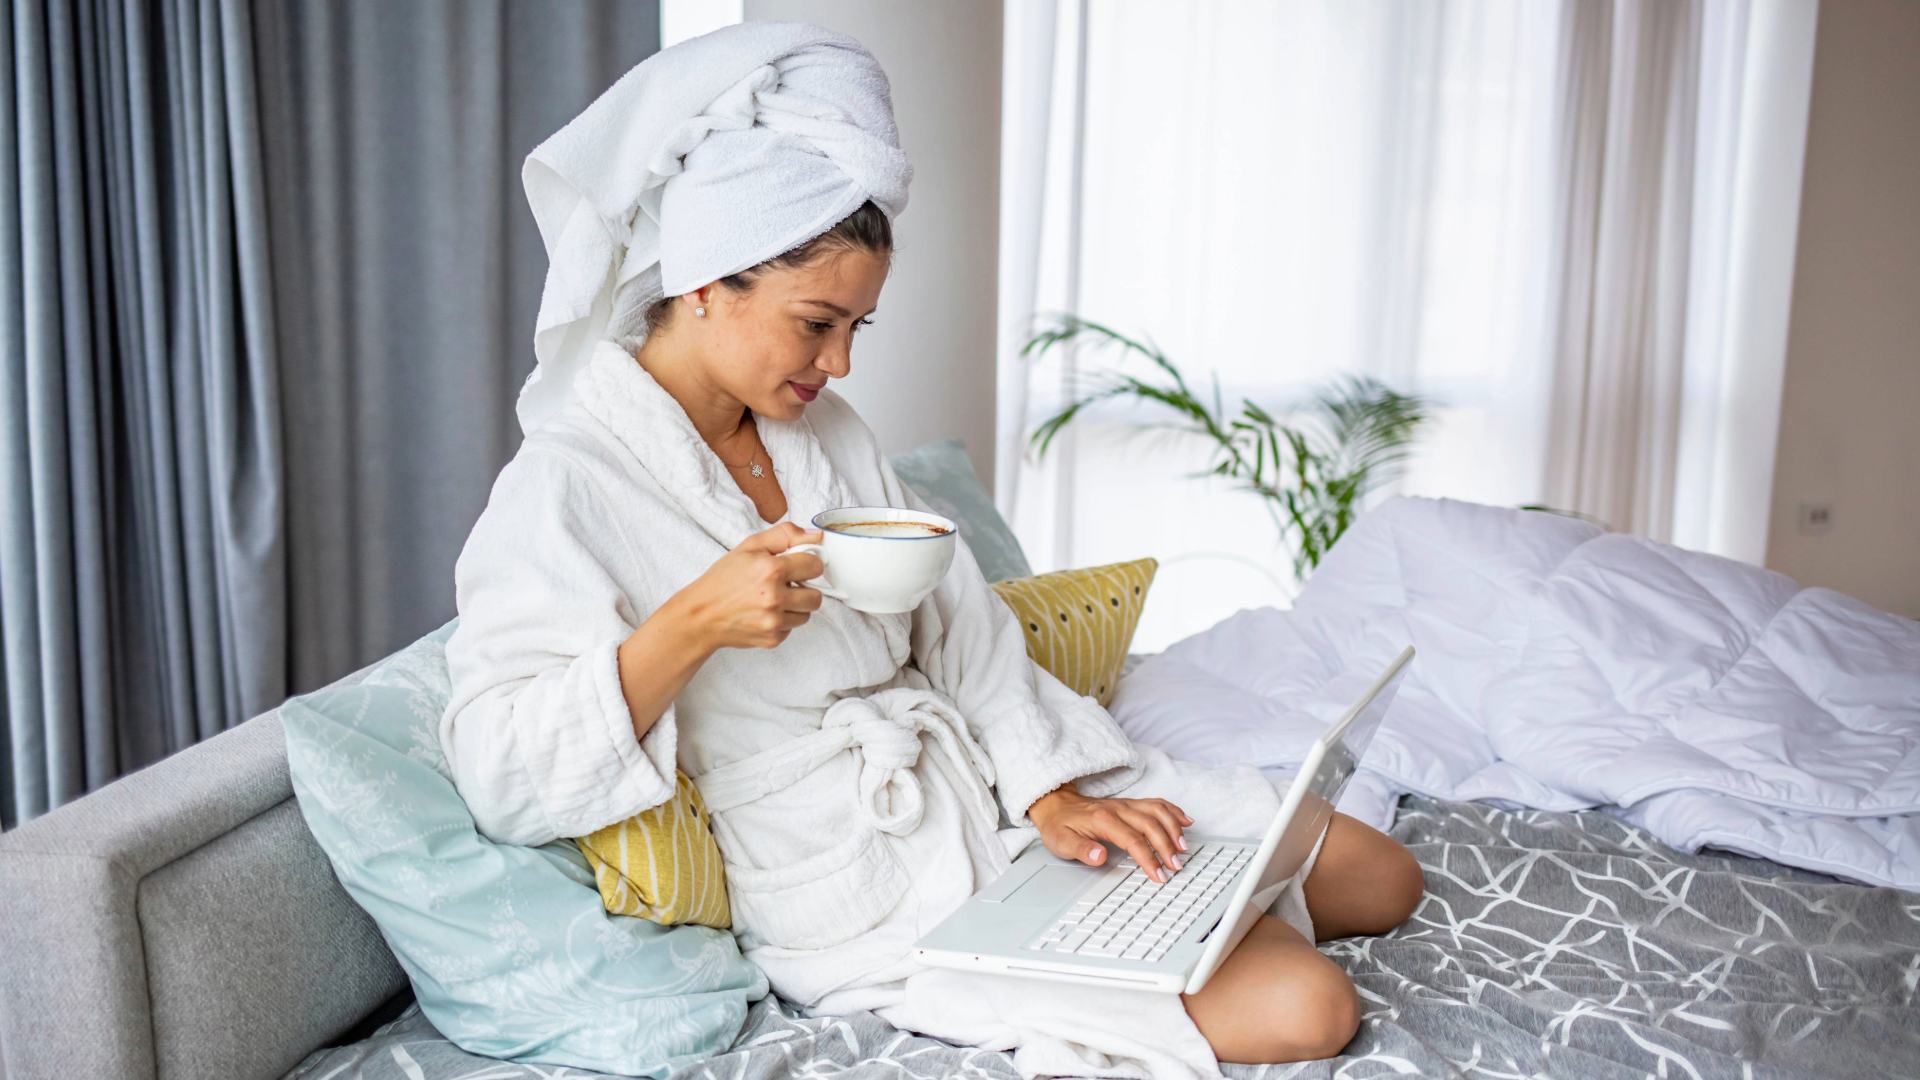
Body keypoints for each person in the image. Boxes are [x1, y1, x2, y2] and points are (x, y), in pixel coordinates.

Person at [442, 23, 1422, 1079]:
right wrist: (688, 626)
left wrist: (1054, 793)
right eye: (818, 322)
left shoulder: (823, 436)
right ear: (704, 284)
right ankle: (1146, 941)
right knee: (1308, 1004)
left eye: (860, 325)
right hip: (861, 869)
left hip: (983, 783)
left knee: (1381, 875)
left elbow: (963, 627)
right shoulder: (567, 484)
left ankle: (1159, 920)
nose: (842, 361)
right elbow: (502, 768)